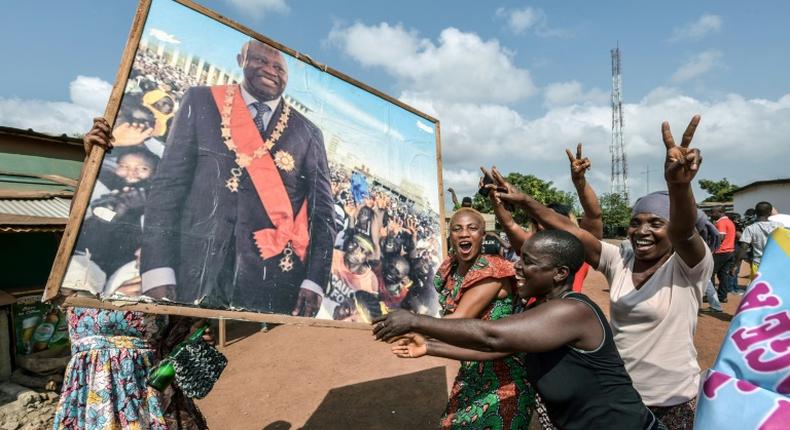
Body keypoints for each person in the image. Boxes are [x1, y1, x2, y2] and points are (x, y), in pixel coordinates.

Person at [483, 115, 712, 428]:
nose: (642, 230)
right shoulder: (620, 261)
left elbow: (686, 233)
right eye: (636, 222)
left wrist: (678, 184)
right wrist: (523, 200)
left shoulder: (688, 268)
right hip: (621, 397)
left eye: (656, 223)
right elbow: (570, 230)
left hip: (671, 401)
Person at [374, 230, 662, 430]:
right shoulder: (539, 311)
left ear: (560, 273)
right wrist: (428, 346)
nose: (517, 267)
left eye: (529, 262)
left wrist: (415, 320)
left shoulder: (573, 311)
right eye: (520, 258)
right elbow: (494, 349)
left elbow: (492, 334)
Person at [140, 39, 335, 316]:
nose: (270, 70)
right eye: (260, 60)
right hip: (192, 271)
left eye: (278, 67)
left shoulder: (308, 133)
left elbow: (324, 216)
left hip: (271, 284)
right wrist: (157, 269)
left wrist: (314, 281)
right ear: (240, 60)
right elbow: (168, 186)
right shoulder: (201, 100)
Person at [54, 119, 212, 430]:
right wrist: (93, 163)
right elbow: (79, 224)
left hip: (151, 399)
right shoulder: (84, 271)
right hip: (92, 403)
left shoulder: (167, 278)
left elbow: (183, 344)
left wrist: (195, 341)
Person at [422, 208, 535, 429]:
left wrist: (412, 325)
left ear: (483, 236)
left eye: (472, 228)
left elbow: (460, 318)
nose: (464, 233)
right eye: (457, 229)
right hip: (471, 371)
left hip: (504, 378)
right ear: (450, 235)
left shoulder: (492, 268)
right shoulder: (450, 268)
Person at [734, 201, 783, 281]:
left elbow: (743, 247)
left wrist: (736, 264)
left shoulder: (750, 228)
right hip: (776, 263)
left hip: (758, 264)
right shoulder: (780, 226)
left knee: (758, 288)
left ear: (755, 212)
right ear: (770, 212)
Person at [709, 206, 736, 303]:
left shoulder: (721, 222)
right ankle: (722, 296)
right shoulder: (729, 221)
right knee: (723, 275)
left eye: (713, 212)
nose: (711, 214)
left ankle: (710, 295)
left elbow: (721, 237)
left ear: (720, 212)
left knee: (709, 273)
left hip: (720, 252)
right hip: (729, 252)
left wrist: (711, 247)